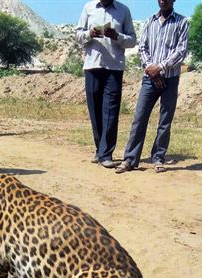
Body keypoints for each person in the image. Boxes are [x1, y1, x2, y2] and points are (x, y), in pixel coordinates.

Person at [115, 0, 188, 174]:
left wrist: (160, 67)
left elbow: (181, 50)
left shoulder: (182, 22)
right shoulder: (150, 21)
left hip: (170, 78)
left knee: (165, 120)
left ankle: (158, 158)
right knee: (139, 117)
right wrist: (151, 70)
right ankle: (130, 159)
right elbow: (143, 48)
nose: (163, 0)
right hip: (149, 78)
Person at [76, 0, 136, 168]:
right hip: (92, 65)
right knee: (95, 109)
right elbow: (77, 35)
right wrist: (90, 34)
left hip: (114, 67)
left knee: (110, 110)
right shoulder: (88, 8)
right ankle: (99, 149)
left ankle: (106, 154)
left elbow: (132, 40)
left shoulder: (124, 10)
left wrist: (117, 36)